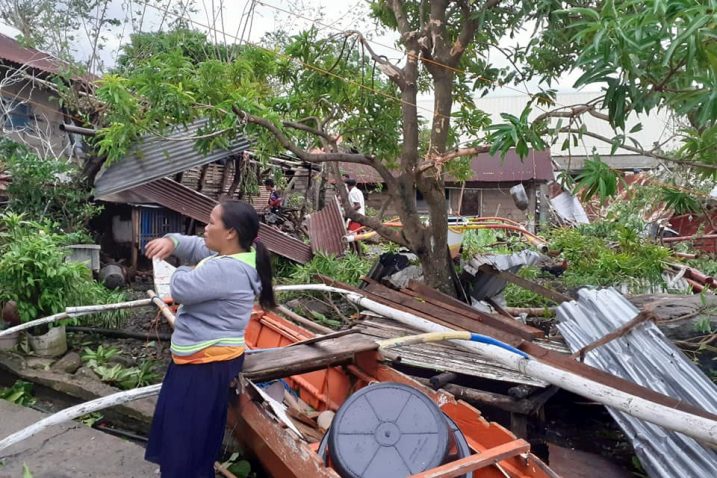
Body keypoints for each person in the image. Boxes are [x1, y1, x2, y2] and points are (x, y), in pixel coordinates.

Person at [143, 199, 275, 477]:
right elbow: (196, 246)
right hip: (211, 359)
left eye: (211, 222)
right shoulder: (241, 253)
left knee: (184, 436)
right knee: (197, 432)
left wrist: (181, 268)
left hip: (203, 364)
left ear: (230, 233)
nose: (205, 227)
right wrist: (172, 242)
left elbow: (180, 288)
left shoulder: (226, 269)